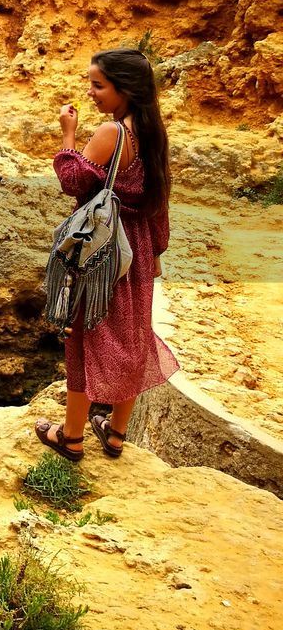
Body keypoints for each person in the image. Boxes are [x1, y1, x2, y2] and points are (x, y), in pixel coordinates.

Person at [35, 48, 181, 460]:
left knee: (84, 334)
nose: (91, 92)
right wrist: (156, 251)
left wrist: (67, 135)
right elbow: (159, 199)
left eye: (99, 85)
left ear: (125, 88)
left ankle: (72, 437)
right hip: (136, 249)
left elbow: (74, 179)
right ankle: (116, 434)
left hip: (103, 251)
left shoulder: (111, 133)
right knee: (131, 338)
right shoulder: (153, 132)